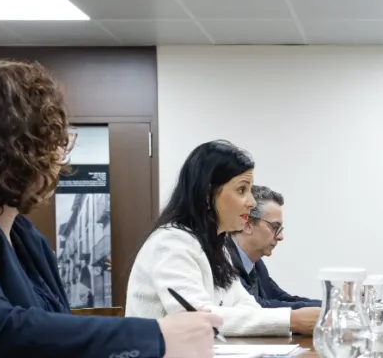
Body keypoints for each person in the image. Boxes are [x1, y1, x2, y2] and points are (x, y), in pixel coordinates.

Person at [0, 58, 218, 358]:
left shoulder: (25, 236)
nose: (61, 157)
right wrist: (155, 336)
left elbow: (49, 338)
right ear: (11, 146)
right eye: (51, 140)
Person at [125, 140, 319, 336]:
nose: (251, 202)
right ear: (208, 194)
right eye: (242, 190)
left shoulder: (217, 246)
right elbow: (197, 319)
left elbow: (245, 305)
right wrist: (291, 320)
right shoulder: (171, 243)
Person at [225, 185, 321, 310]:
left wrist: (331, 306)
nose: (281, 237)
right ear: (247, 225)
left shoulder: (257, 265)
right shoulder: (223, 261)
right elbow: (257, 307)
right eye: (275, 227)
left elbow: (283, 299)